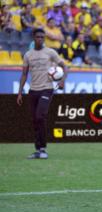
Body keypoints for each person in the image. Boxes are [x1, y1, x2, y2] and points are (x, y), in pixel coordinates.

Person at [16, 28, 67, 159]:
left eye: (42, 37)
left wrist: (62, 80)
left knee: (40, 116)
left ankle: (43, 148)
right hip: (33, 90)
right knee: (34, 120)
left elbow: (64, 66)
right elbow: (24, 74)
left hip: (47, 88)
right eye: (38, 37)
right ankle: (38, 149)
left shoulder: (50, 52)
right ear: (34, 37)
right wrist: (20, 93)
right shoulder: (28, 55)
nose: (40, 39)